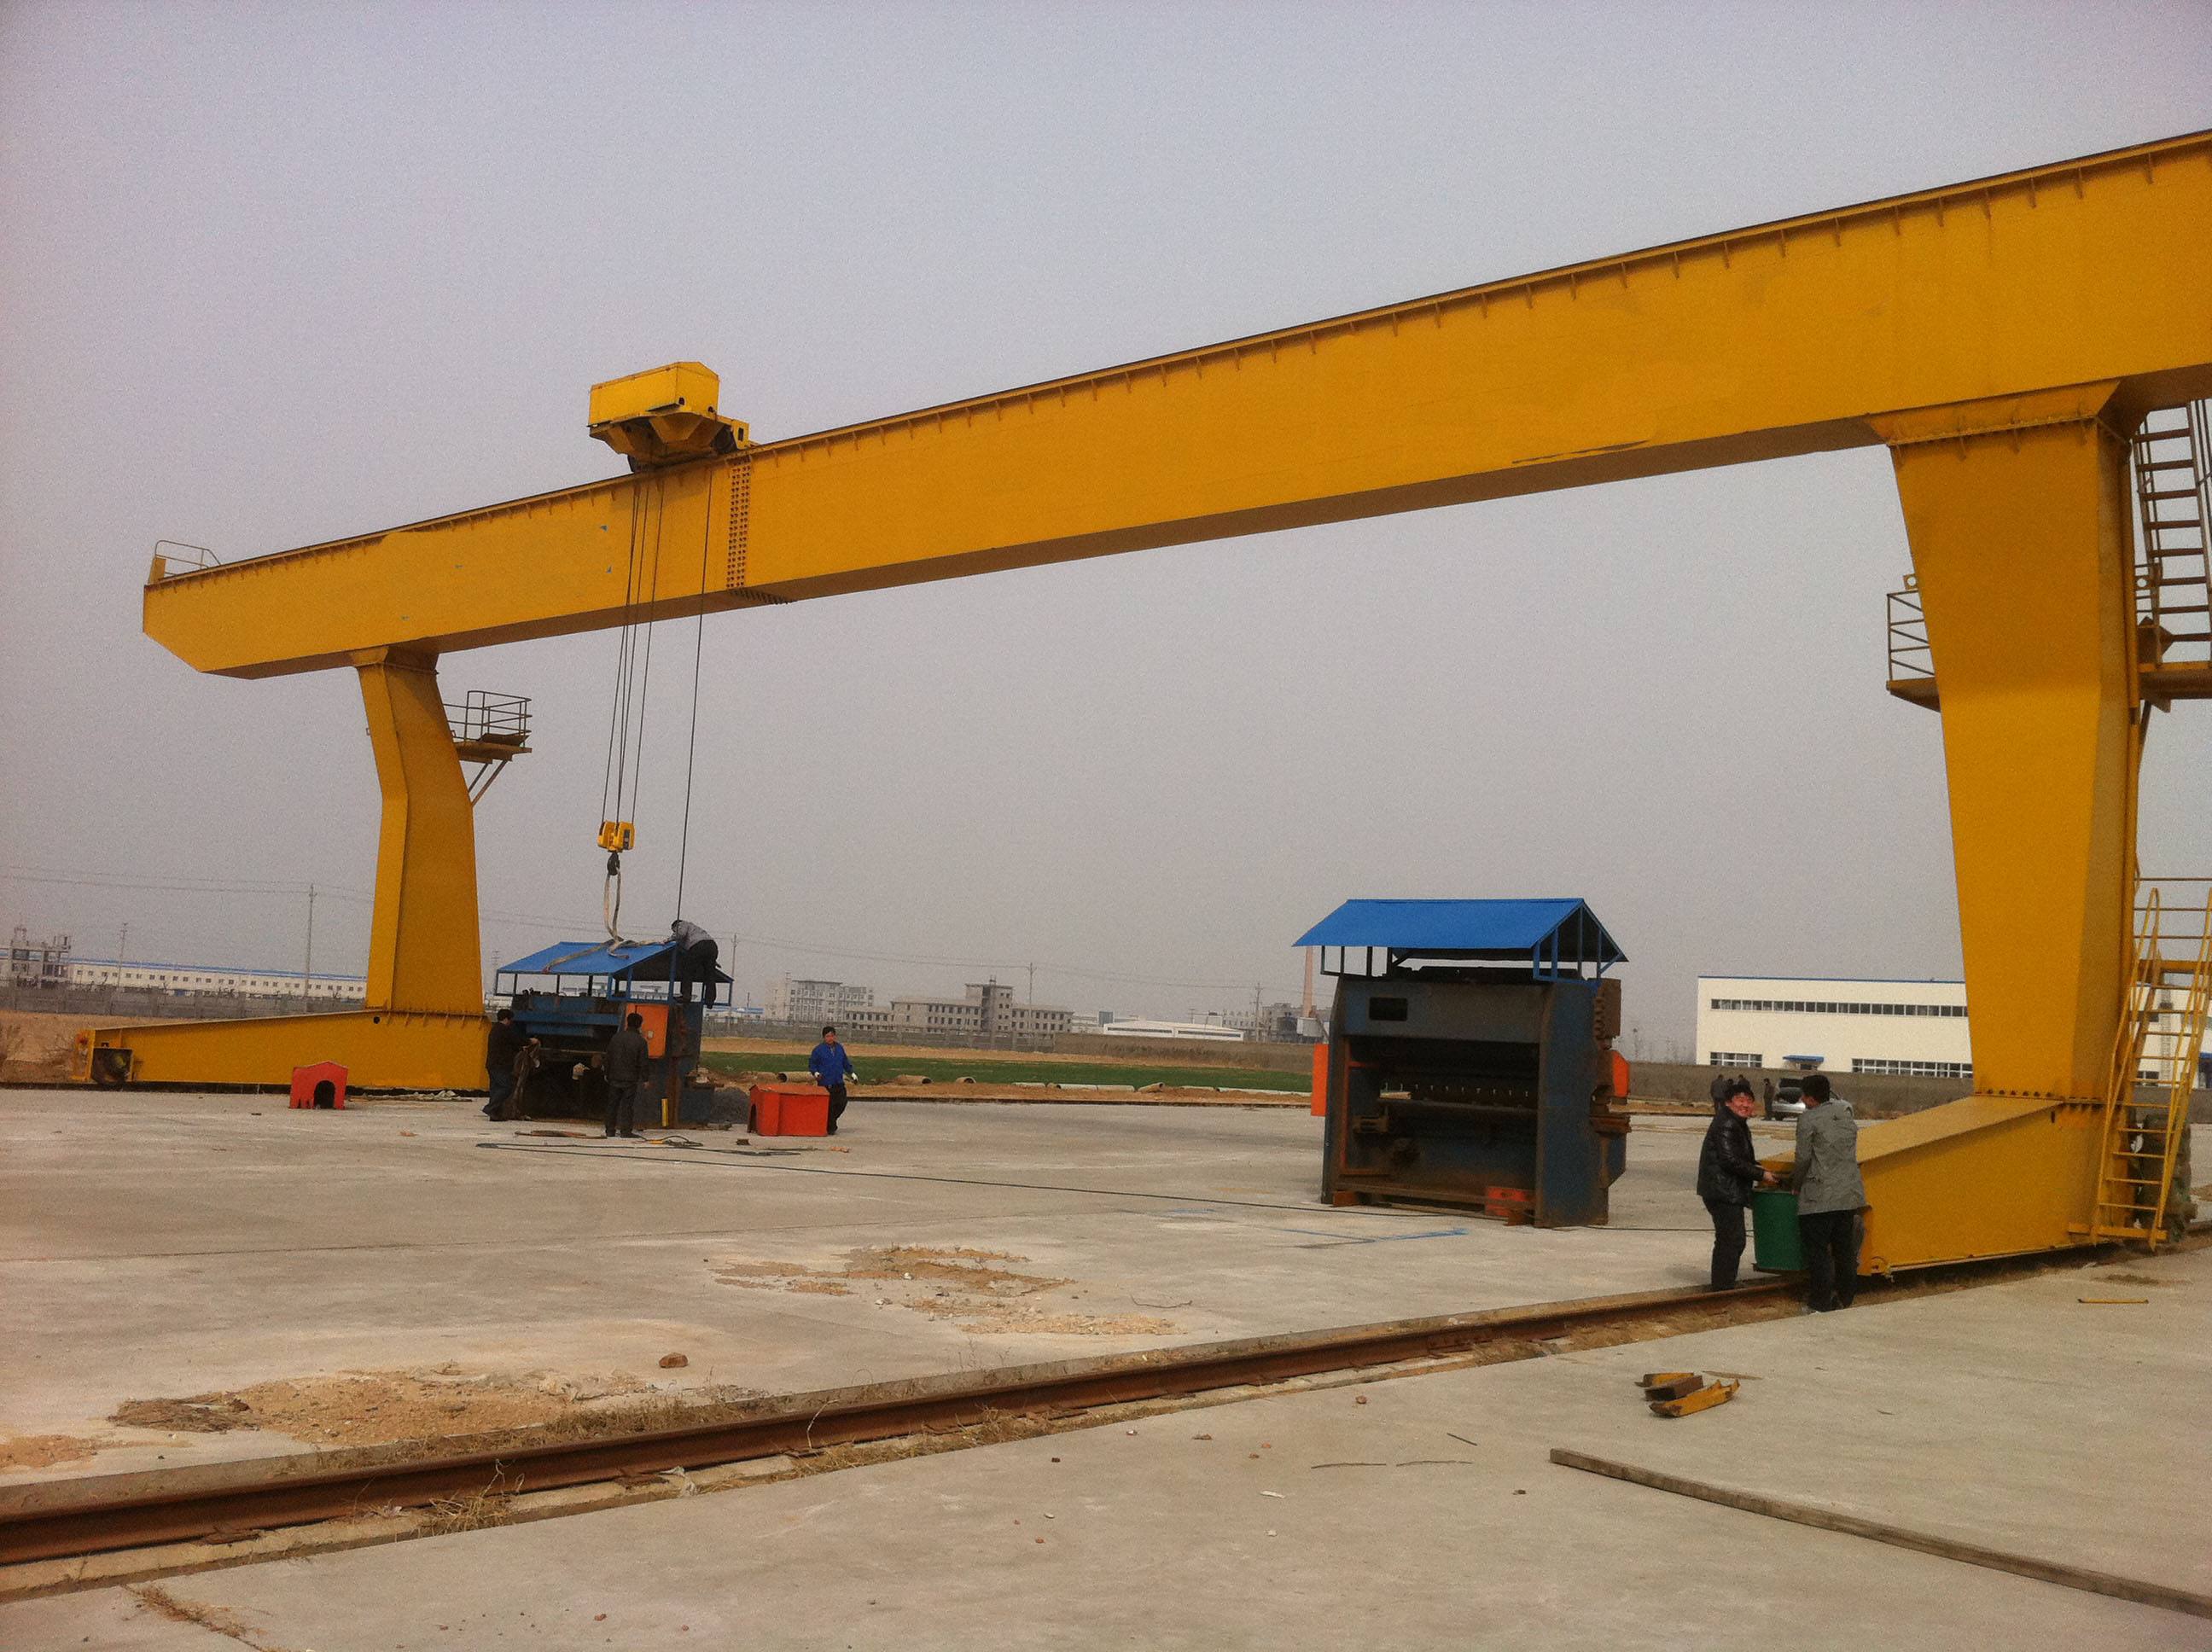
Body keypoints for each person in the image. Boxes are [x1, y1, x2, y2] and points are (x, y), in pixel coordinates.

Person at [1792, 1071, 1868, 1311]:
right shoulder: (1845, 1113)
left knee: (1818, 1252)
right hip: (1848, 1194)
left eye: (1804, 1096)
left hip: (1820, 1196)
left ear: (1809, 1098)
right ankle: (1845, 1298)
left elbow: (1803, 1158)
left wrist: (1796, 1185)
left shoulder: (1808, 1119)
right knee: (1844, 1249)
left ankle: (1820, 1302)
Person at [1697, 1076, 1769, 1288]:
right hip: (1722, 1191)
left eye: (1749, 1101)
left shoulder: (1736, 1122)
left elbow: (1739, 1157)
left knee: (1731, 1240)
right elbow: (1729, 1160)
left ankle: (1724, 1284)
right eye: (1740, 1100)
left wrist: (1759, 1167)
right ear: (1728, 1103)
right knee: (1732, 1240)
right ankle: (1723, 1287)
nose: (1745, 1105)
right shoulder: (1727, 1123)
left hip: (1725, 1190)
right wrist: (1760, 1174)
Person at [603, 1011, 650, 1139]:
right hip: (630, 1079)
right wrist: (645, 1079)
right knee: (627, 1106)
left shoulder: (616, 1038)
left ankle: (610, 1130)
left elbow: (608, 1057)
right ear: (639, 1025)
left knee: (612, 1104)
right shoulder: (641, 1042)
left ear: (627, 1023)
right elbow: (643, 1062)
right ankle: (625, 1131)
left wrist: (607, 1073)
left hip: (614, 1077)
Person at [483, 1009, 534, 1121]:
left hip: (492, 1064)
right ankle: (490, 1108)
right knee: (506, 1087)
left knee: (495, 1089)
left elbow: (507, 1045)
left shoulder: (495, 1029)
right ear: (506, 1019)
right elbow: (516, 1040)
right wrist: (530, 1041)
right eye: (511, 1020)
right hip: (500, 1065)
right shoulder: (504, 1030)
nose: (511, 1022)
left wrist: (519, 1048)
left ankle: (495, 1114)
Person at [808, 1024, 859, 1135]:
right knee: (829, 1106)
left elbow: (845, 1062)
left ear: (835, 1036)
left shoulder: (839, 1048)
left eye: (832, 1036)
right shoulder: (818, 1050)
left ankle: (831, 1123)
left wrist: (852, 1073)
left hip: (838, 1082)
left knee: (841, 1103)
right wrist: (815, 1072)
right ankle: (830, 1126)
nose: (830, 1038)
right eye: (827, 1036)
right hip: (826, 1083)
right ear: (824, 1037)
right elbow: (812, 1064)